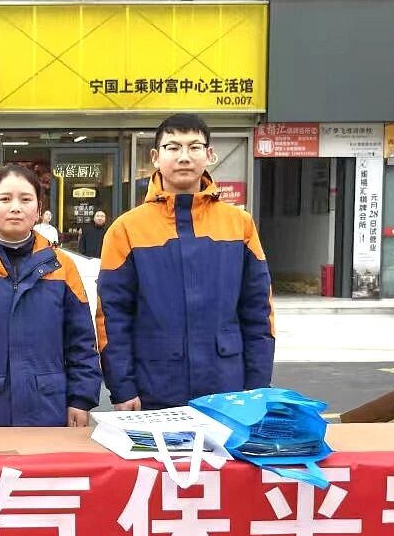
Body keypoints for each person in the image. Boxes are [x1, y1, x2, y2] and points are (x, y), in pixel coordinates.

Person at [97, 113, 275, 412]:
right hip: (153, 388)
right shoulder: (126, 229)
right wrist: (122, 388)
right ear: (155, 157)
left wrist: (257, 387)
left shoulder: (239, 224)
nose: (184, 157)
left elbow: (258, 311)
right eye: (173, 147)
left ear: (209, 154)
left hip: (227, 386)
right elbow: (113, 317)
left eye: (194, 147)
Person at [0, 164, 101, 428]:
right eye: (4, 199)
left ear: (38, 210)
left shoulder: (61, 266)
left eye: (25, 199)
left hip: (48, 411)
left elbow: (81, 341)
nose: (15, 207)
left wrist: (81, 399)